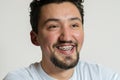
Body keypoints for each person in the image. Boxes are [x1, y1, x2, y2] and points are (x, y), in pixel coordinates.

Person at [3, 0, 120, 80]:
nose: (67, 37)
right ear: (35, 38)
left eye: (74, 25)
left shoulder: (103, 76)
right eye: (53, 26)